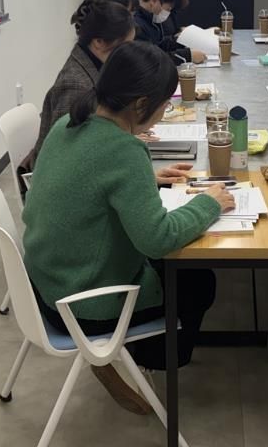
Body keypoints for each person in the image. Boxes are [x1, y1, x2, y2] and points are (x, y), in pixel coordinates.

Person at [23, 41, 235, 414]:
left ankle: (113, 355)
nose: (163, 113)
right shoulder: (125, 150)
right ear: (141, 105)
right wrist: (210, 203)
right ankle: (142, 354)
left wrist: (145, 180)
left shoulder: (67, 123)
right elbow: (158, 239)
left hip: (44, 286)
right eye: (164, 105)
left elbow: (87, 181)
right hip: (82, 306)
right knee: (199, 280)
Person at [29, 0, 136, 168]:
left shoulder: (92, 63)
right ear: (99, 42)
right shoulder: (75, 86)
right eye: (124, 45)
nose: (126, 52)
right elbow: (65, 154)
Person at [134, 0, 206, 64]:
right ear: (154, 0)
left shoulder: (150, 18)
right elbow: (151, 59)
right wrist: (188, 56)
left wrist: (182, 39)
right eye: (168, 9)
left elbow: (159, 45)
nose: (168, 13)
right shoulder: (136, 25)